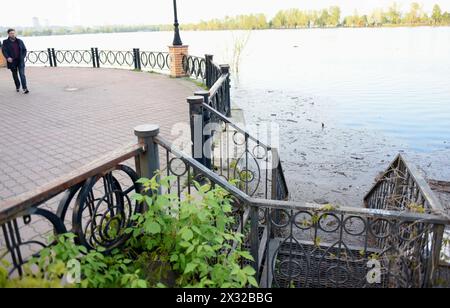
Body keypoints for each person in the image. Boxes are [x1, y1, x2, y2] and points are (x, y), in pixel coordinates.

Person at [2, 29, 29, 94]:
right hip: (12, 61)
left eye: (13, 33)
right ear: (8, 34)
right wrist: (7, 57)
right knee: (15, 75)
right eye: (11, 33)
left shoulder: (19, 41)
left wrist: (22, 57)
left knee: (22, 74)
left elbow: (24, 50)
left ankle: (25, 88)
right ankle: (17, 86)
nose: (13, 34)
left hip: (20, 61)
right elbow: (4, 51)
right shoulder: (5, 42)